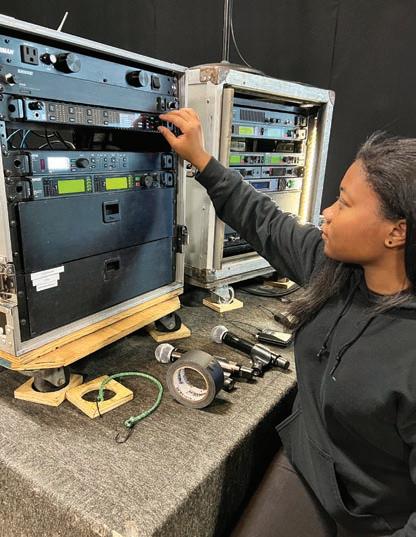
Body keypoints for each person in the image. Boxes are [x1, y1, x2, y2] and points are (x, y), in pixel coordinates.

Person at [158, 108, 416, 537]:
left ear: (397, 233)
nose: (327, 213)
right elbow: (266, 222)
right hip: (308, 463)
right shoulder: (334, 270)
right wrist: (201, 159)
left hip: (375, 518)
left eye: (345, 203)